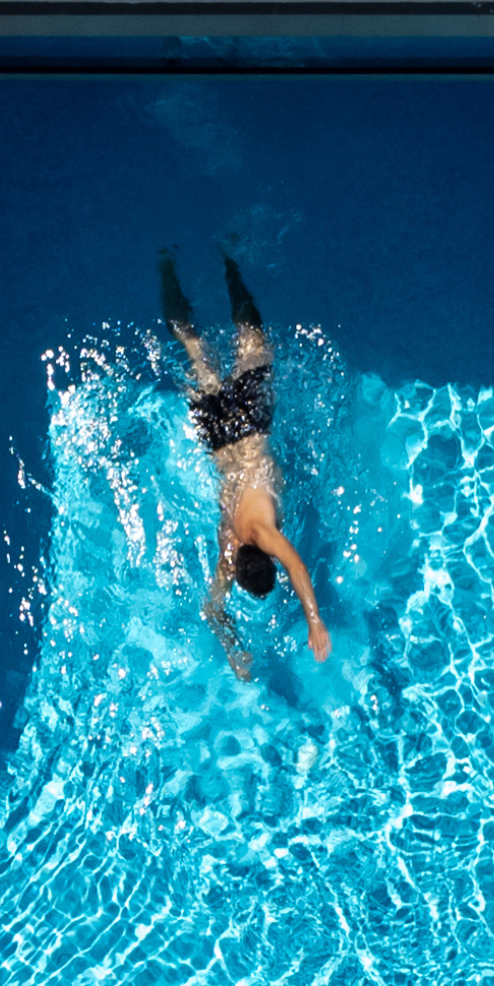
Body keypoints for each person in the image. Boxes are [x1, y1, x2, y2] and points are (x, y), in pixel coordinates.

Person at [160, 250, 331, 681]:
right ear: (238, 568)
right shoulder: (228, 547)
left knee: (252, 333)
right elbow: (211, 609)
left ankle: (230, 266)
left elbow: (296, 567)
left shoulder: (263, 532)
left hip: (251, 426)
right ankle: (166, 271)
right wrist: (235, 650)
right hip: (218, 437)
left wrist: (315, 620)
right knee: (192, 345)